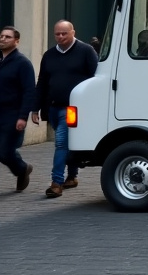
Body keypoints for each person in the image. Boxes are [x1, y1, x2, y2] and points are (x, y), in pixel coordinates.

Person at [31, 20, 98, 197]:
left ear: (73, 32)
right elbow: (42, 82)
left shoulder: (86, 51)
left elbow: (96, 79)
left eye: (64, 33)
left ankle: (56, 182)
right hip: (53, 107)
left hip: (73, 109)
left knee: (61, 143)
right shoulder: (49, 55)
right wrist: (34, 108)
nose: (60, 37)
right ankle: (72, 176)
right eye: (57, 34)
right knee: (69, 143)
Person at [0, 26, 36, 192]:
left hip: (12, 115)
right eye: (1, 36)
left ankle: (22, 169)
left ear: (16, 41)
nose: (3, 39)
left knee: (5, 152)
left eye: (7, 37)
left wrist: (23, 116)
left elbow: (29, 91)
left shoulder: (22, 63)